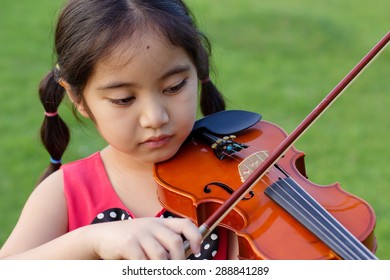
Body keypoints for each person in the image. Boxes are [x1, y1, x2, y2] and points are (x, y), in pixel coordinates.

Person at [0, 0, 238, 260]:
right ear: (78, 98)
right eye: (124, 99)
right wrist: (88, 241)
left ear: (198, 68)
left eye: (174, 87)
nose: (155, 118)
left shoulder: (240, 175)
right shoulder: (65, 193)